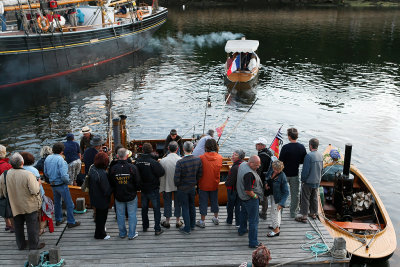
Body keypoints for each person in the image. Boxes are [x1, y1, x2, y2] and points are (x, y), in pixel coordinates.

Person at [0, 153, 44, 250]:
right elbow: (35, 190)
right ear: (22, 162)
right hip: (29, 205)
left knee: (18, 226)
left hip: (13, 205)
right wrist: (39, 183)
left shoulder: (4, 175)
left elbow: (2, 193)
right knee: (32, 226)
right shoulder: (28, 174)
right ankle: (34, 245)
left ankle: (21, 245)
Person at [44, 142, 80, 228]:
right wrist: (68, 181)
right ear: (62, 151)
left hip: (53, 184)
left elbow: (45, 172)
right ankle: (71, 222)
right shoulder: (61, 160)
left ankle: (58, 220)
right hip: (61, 184)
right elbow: (64, 175)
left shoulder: (48, 158)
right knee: (70, 204)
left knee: (57, 202)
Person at [109, 148, 141, 240]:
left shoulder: (113, 169)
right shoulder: (133, 168)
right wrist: (136, 189)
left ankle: (122, 233)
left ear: (117, 156)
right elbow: (138, 182)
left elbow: (110, 182)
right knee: (132, 214)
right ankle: (132, 234)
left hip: (118, 195)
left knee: (120, 215)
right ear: (127, 156)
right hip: (131, 195)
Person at [135, 143, 165, 235]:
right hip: (153, 188)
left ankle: (145, 226)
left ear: (142, 151)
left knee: (144, 209)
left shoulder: (138, 161)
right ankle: (157, 229)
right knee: (156, 209)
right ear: (151, 150)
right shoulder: (153, 162)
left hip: (143, 189)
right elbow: (161, 172)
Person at [174, 141, 203, 234]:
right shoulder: (198, 160)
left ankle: (187, 228)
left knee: (185, 207)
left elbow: (176, 179)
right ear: (192, 149)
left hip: (183, 188)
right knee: (192, 206)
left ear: (183, 149)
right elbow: (200, 174)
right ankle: (192, 225)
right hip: (192, 187)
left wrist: (178, 185)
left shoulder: (180, 162)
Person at [279, 128, 307, 218]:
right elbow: (303, 160)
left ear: (289, 136)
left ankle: (280, 212)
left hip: (284, 174)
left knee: (282, 194)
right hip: (295, 173)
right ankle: (293, 213)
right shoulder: (302, 147)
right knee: (295, 195)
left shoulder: (285, 147)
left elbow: (280, 161)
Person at [237, 155, 263, 248]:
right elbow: (248, 191)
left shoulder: (243, 164)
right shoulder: (249, 174)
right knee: (254, 221)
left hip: (242, 197)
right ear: (251, 163)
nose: (258, 167)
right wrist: (255, 196)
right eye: (256, 165)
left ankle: (242, 229)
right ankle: (253, 242)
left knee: (243, 213)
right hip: (249, 199)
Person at [296, 138, 323, 223]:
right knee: (314, 197)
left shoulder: (308, 156)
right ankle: (313, 213)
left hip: (308, 181)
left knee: (305, 198)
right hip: (317, 180)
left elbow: (305, 170)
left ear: (310, 145)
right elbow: (322, 169)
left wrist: (302, 179)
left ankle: (304, 216)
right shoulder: (320, 155)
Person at [196, 139, 223, 228]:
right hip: (214, 183)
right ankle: (216, 218)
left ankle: (202, 221)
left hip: (203, 184)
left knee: (203, 202)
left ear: (206, 147)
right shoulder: (220, 157)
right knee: (214, 201)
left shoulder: (201, 158)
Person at [159, 141, 182, 229]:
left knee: (167, 203)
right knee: (178, 203)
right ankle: (178, 221)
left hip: (166, 185)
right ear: (177, 149)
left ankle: (167, 221)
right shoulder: (180, 160)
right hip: (178, 185)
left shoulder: (163, 161)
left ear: (168, 149)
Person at [89, 152, 112, 240]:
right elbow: (106, 190)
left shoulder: (93, 169)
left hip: (94, 196)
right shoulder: (102, 174)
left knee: (98, 216)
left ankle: (98, 231)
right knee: (102, 217)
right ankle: (101, 234)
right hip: (102, 199)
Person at [265, 160, 289, 237]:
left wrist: (281, 203)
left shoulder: (282, 177)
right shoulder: (272, 171)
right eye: (274, 169)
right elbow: (267, 178)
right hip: (272, 195)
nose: (275, 171)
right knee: (276, 212)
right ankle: (276, 225)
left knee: (274, 212)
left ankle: (276, 230)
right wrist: (266, 184)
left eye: (277, 170)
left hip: (278, 197)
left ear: (281, 169)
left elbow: (286, 192)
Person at [225, 149, 245, 227]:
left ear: (239, 157)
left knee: (230, 206)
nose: (232, 156)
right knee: (238, 206)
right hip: (240, 190)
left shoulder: (235, 167)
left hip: (232, 190)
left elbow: (231, 181)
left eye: (235, 155)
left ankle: (229, 220)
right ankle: (238, 222)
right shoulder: (243, 164)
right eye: (233, 154)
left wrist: (226, 183)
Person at [253, 137, 272, 220]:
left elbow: (259, 169)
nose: (256, 145)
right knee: (264, 196)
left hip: (263, 179)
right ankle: (264, 212)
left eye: (257, 144)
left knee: (262, 196)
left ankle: (263, 213)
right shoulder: (268, 152)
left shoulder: (262, 156)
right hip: (267, 177)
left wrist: (255, 179)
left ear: (261, 145)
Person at [0, 145, 13, 232]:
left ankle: (7, 224)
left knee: (2, 204)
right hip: (6, 188)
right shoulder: (6, 165)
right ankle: (13, 226)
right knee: (10, 206)